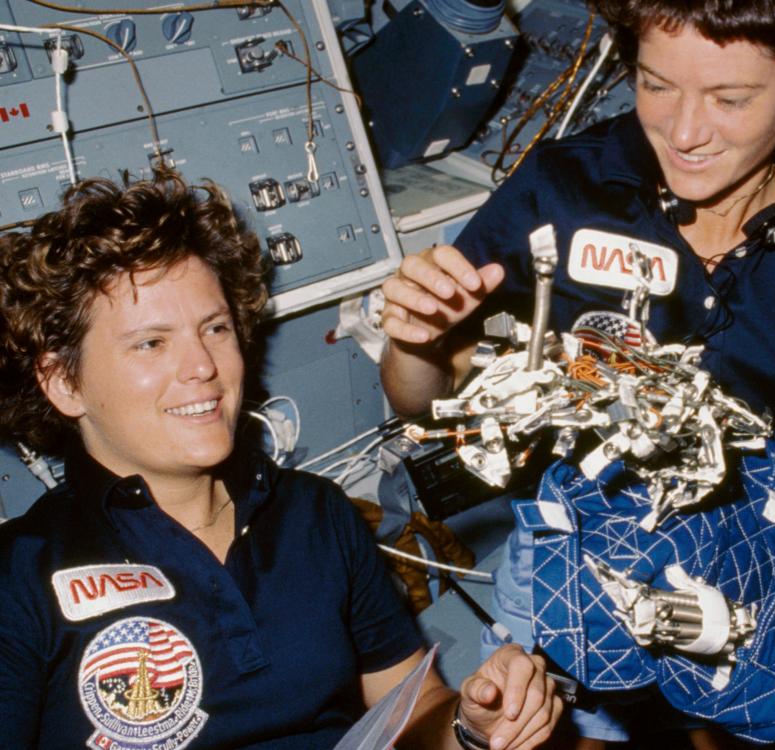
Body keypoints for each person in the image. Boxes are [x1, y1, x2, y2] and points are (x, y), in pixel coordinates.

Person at [378, 0, 775, 746]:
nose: (684, 132)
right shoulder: (564, 186)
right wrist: (416, 344)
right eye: (657, 85)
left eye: (731, 99)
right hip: (578, 559)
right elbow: (423, 404)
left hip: (752, 553)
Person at [0, 173, 562, 750]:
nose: (203, 366)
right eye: (152, 343)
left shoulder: (313, 513)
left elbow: (413, 707)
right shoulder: (19, 576)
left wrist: (474, 725)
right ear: (63, 382)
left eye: (215, 328)